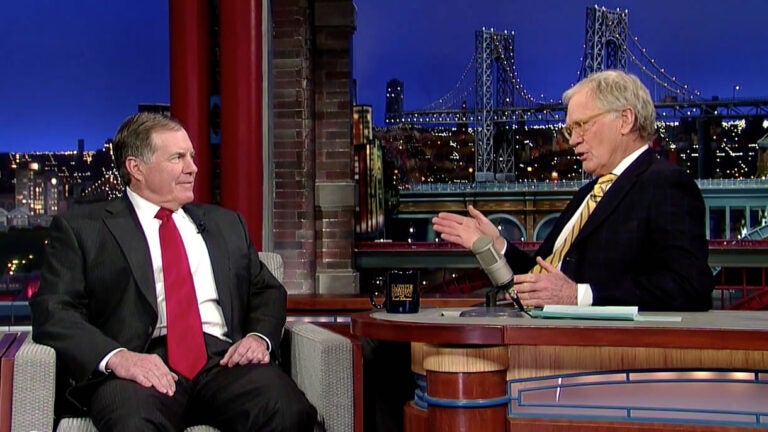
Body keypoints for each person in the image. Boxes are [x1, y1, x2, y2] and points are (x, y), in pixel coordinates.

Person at [30, 112, 319, 431]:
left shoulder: (226, 224)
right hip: (137, 366)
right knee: (132, 424)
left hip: (224, 362)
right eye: (177, 158)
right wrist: (118, 357)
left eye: (191, 156)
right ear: (136, 168)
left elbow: (266, 289)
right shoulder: (84, 229)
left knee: (289, 411)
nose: (192, 168)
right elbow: (54, 311)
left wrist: (258, 337)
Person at [433, 70, 714, 311]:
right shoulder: (587, 194)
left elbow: (690, 287)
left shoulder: (666, 183)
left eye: (581, 125)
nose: (573, 140)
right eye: (570, 130)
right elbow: (541, 279)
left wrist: (579, 296)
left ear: (625, 120)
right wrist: (497, 246)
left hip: (602, 353)